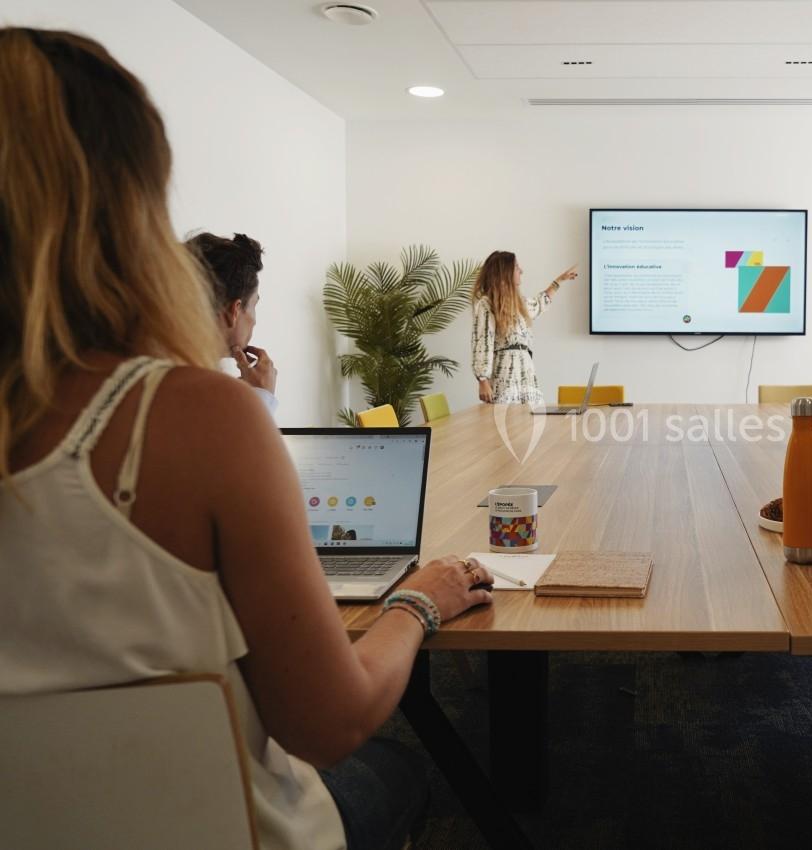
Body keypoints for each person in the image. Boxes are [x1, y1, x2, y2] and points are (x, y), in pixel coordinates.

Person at [0, 28, 495, 850]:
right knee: (398, 774)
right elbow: (328, 723)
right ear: (129, 207)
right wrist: (418, 600)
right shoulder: (192, 416)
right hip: (210, 827)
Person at [187, 231, 280, 415]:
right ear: (235, 310)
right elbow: (250, 445)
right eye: (254, 305)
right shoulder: (198, 393)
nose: (254, 321)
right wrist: (261, 399)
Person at [471, 250, 577, 405]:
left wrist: (559, 281)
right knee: (506, 423)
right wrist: (483, 380)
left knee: (531, 422)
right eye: (516, 267)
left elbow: (538, 304)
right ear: (505, 272)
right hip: (505, 373)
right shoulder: (486, 304)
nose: (521, 271)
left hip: (526, 371)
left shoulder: (518, 302)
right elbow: (482, 342)